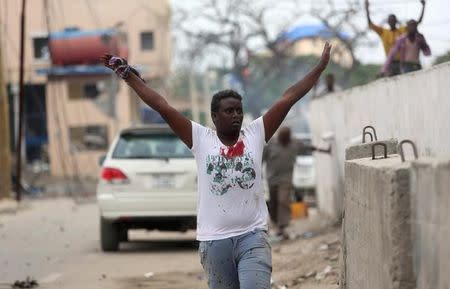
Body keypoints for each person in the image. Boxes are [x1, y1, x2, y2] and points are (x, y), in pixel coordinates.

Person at [101, 42, 331, 289]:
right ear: (214, 116)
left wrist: (319, 68)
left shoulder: (255, 134)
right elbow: (162, 106)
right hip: (214, 242)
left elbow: (288, 98)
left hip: (252, 236)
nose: (236, 115)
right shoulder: (200, 139)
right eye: (229, 111)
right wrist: (128, 76)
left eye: (239, 111)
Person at [263, 126, 331, 240]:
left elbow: (308, 147)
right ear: (279, 137)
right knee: (273, 203)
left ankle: (283, 226)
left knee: (283, 200)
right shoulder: (271, 144)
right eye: (282, 139)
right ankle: (276, 223)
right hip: (272, 179)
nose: (284, 141)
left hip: (286, 179)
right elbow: (260, 158)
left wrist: (324, 150)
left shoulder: (295, 143)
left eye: (286, 139)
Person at [365, 0, 426, 76]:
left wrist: (423, 7)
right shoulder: (383, 32)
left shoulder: (402, 31)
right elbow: (370, 24)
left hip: (401, 62)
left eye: (393, 20)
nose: (392, 22)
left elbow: (415, 24)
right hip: (390, 63)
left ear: (396, 21)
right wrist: (366, 8)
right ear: (388, 22)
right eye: (390, 20)